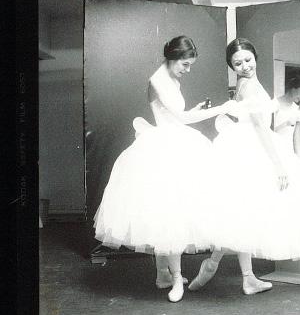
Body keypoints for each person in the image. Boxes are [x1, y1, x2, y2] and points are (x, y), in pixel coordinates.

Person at [190, 39, 300, 296]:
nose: (245, 66)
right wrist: (279, 165)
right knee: (244, 212)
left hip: (245, 145)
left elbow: (260, 114)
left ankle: (236, 273)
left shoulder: (246, 84)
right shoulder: (249, 87)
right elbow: (260, 128)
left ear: (255, 57)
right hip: (251, 148)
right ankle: (223, 268)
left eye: (248, 60)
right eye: (238, 63)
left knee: (242, 214)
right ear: (232, 66)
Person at [93, 35, 230, 301]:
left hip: (174, 139)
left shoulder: (170, 77)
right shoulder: (157, 80)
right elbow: (182, 118)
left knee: (168, 213)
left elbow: (174, 114)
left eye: (190, 65)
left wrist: (195, 109)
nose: (187, 70)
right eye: (185, 64)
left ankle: (163, 275)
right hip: (165, 145)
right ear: (172, 57)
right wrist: (221, 108)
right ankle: (176, 279)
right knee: (168, 213)